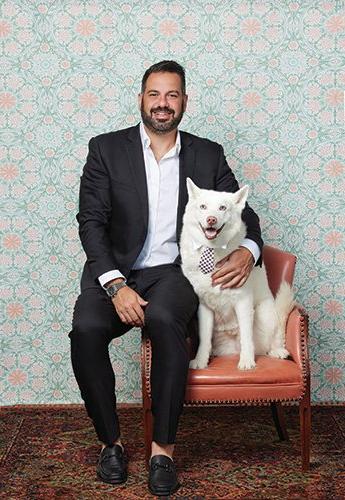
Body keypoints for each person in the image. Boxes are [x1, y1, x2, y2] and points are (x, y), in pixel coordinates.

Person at [69, 60, 263, 496]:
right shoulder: (105, 148)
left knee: (166, 322)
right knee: (85, 330)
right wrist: (116, 285)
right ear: (141, 98)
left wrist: (249, 252)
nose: (163, 104)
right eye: (155, 94)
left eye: (172, 95)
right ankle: (111, 444)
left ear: (184, 102)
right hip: (116, 272)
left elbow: (243, 212)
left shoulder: (207, 153)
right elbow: (90, 222)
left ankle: (163, 451)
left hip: (173, 273)